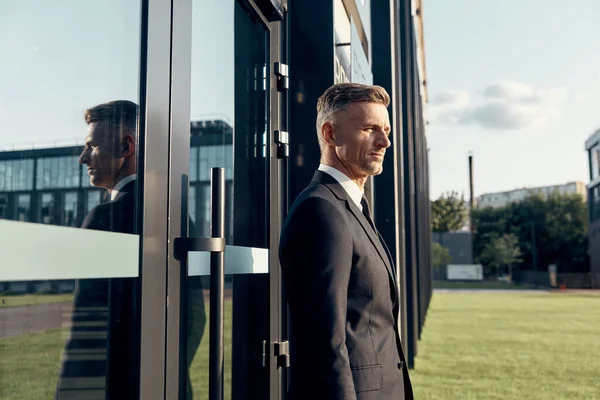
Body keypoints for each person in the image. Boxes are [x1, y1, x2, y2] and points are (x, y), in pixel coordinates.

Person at [279, 83, 413, 399]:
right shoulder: (321, 210)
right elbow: (323, 342)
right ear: (330, 135)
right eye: (369, 129)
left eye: (386, 130)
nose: (385, 141)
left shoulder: (353, 207)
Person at [56, 100, 140, 399]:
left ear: (125, 146)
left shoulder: (106, 218)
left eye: (91, 146)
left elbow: (86, 332)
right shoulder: (178, 216)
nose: (82, 158)